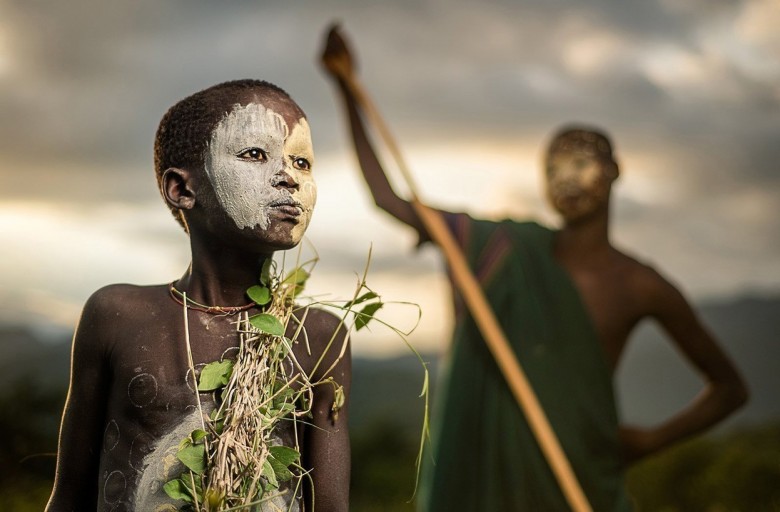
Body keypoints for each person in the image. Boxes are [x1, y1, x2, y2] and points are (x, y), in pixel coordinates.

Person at [320, 27, 748, 511]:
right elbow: (388, 198)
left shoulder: (641, 286)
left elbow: (730, 389)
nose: (568, 177)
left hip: (581, 475)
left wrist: (651, 441)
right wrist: (347, 88)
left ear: (615, 171)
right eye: (555, 167)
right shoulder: (498, 248)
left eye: (583, 161)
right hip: (482, 473)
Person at [46, 80, 351, 511]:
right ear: (182, 189)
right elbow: (70, 495)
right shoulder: (118, 315)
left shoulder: (319, 336)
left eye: (302, 162)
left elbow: (331, 506)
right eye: (254, 154)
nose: (289, 178)